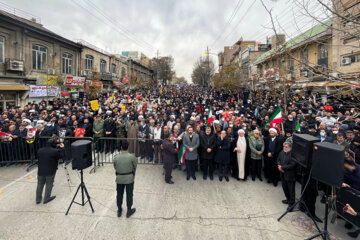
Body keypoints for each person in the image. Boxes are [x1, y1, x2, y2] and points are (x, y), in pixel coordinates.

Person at [35, 138, 64, 204]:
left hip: (40, 170)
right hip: (50, 170)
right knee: (49, 184)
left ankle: (38, 199)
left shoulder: (40, 150)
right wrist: (62, 148)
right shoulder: (55, 151)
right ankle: (47, 198)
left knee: (40, 184)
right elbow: (61, 156)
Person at [113, 140, 137, 218]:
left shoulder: (116, 157)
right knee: (129, 194)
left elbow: (115, 167)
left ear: (121, 147)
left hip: (119, 178)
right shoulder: (132, 157)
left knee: (119, 194)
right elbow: (135, 167)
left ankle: (119, 210)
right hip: (129, 178)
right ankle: (129, 210)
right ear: (128, 147)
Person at [277, 142, 297, 211]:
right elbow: (278, 159)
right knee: (285, 188)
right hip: (282, 175)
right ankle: (288, 200)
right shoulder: (282, 152)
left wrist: (282, 167)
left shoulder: (293, 154)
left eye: (286, 147)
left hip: (290, 176)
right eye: (284, 146)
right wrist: (279, 165)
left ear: (290, 147)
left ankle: (291, 204)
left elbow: (293, 165)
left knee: (291, 190)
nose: (284, 148)